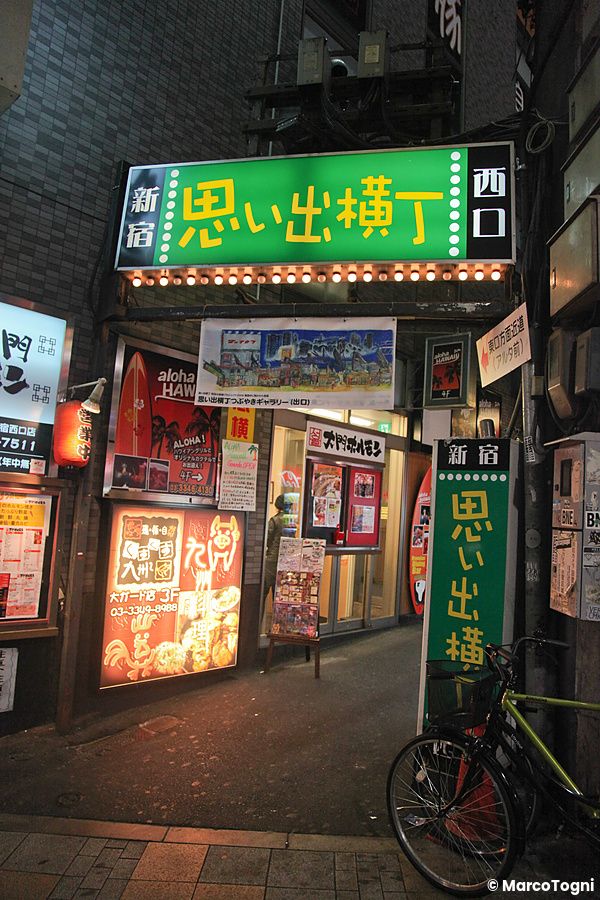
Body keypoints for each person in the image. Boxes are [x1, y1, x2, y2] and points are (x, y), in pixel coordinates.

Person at [263, 494, 288, 604]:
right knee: (279, 594)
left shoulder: (274, 520)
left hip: (272, 559)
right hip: (286, 559)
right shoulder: (291, 521)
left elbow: (267, 539)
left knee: (264, 591)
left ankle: (259, 614)